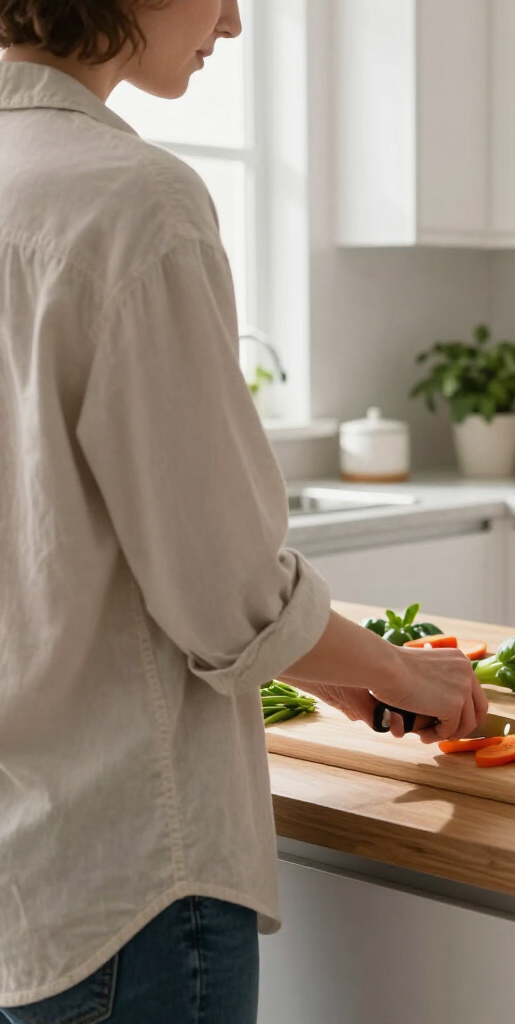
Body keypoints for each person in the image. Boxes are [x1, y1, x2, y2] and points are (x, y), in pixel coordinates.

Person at [0, 1, 488, 1021]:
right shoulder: (133, 201)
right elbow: (224, 588)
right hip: (121, 877)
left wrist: (336, 669)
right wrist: (402, 675)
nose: (231, 18)